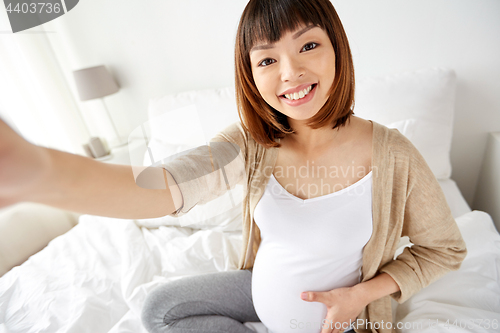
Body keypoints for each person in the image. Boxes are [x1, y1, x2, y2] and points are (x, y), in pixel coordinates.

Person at [0, 0, 467, 332]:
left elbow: (443, 249)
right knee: (160, 308)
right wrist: (43, 174)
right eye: (267, 59)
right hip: (258, 292)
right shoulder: (250, 142)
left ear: (337, 48)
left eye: (307, 46)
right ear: (251, 74)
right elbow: (161, 187)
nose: (289, 73)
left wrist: (360, 296)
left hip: (340, 320)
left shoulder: (394, 154)